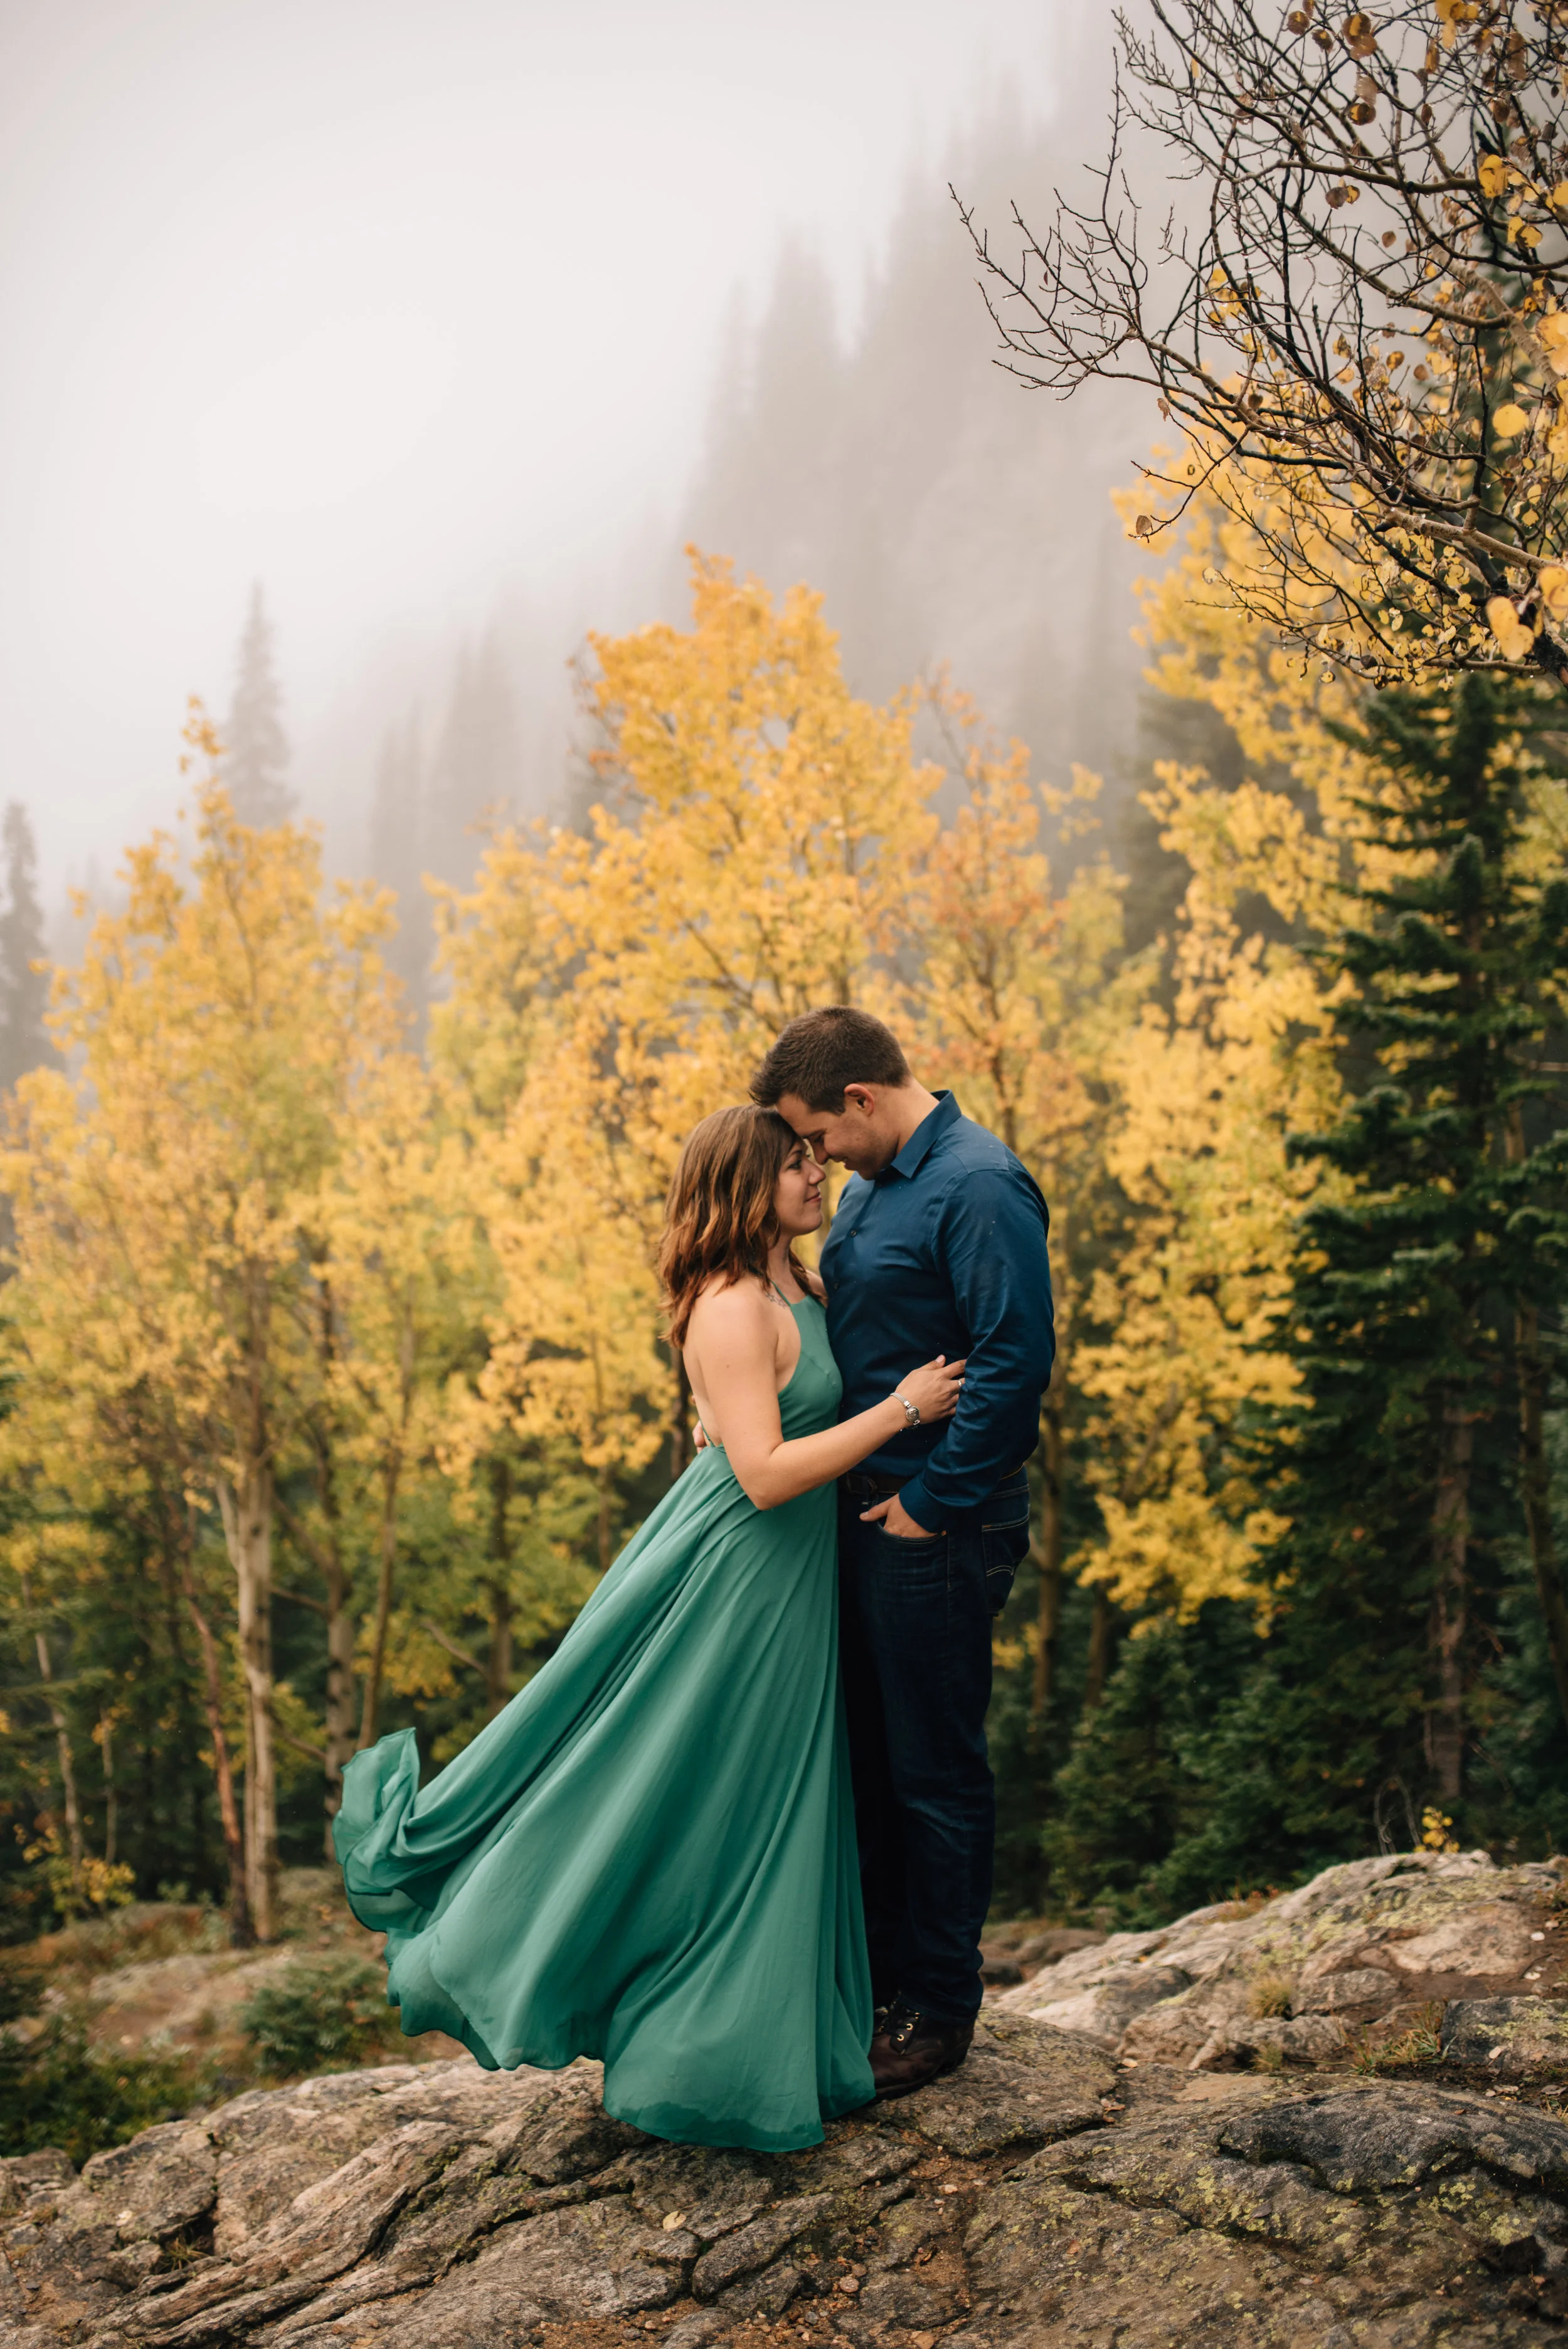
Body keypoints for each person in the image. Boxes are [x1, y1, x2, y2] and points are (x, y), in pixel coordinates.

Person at [332, 1103, 963, 2153]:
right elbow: (761, 1476)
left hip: (793, 1581)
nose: (817, 1177)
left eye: (817, 1158)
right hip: (738, 1576)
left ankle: (772, 2039)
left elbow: (752, 1415)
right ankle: (599, 1991)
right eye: (797, 1165)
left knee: (770, 1801)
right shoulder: (728, 1304)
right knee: (676, 1781)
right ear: (747, 1184)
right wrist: (902, 1410)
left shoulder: (800, 1283)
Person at [753, 1007, 1054, 2099]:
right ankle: (877, 1988)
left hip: (939, 1521)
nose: (816, 1160)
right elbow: (867, 1331)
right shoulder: (879, 1187)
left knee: (932, 1772)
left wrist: (931, 1501)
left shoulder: (977, 1184)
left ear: (863, 1102)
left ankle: (937, 2009)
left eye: (819, 1136)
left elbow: (1015, 1367)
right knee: (872, 1768)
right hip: (860, 1512)